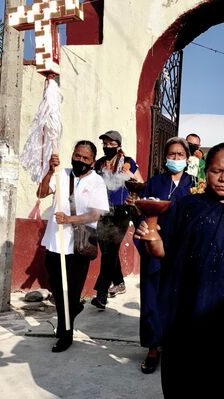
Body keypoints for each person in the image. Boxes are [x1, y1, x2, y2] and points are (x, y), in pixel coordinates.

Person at [135, 143, 224, 399]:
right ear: (205, 172)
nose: (223, 178)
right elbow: (165, 251)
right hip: (188, 310)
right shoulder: (186, 206)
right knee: (186, 380)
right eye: (217, 170)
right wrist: (151, 239)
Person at [38, 140, 109, 352]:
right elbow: (41, 193)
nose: (80, 161)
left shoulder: (96, 182)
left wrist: (70, 220)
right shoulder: (61, 175)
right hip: (55, 241)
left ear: (93, 161)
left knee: (71, 292)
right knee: (58, 290)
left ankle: (66, 335)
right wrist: (50, 170)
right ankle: (71, 312)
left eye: (85, 158)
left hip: (79, 245)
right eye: (77, 156)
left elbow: (97, 213)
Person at [134, 137, 194, 374]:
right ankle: (152, 347)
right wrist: (144, 226)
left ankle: (175, 343)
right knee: (152, 295)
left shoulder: (194, 185)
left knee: (178, 298)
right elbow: (141, 209)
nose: (176, 158)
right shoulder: (154, 182)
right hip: (154, 249)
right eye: (172, 154)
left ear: (187, 159)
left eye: (180, 155)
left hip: (181, 250)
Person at [91, 130, 143, 309]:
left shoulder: (128, 162)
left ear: (118, 145)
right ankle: (119, 282)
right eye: (104, 144)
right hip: (102, 211)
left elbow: (140, 183)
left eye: (111, 144)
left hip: (121, 211)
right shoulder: (98, 164)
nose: (107, 147)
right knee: (107, 249)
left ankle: (101, 294)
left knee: (109, 251)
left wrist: (130, 181)